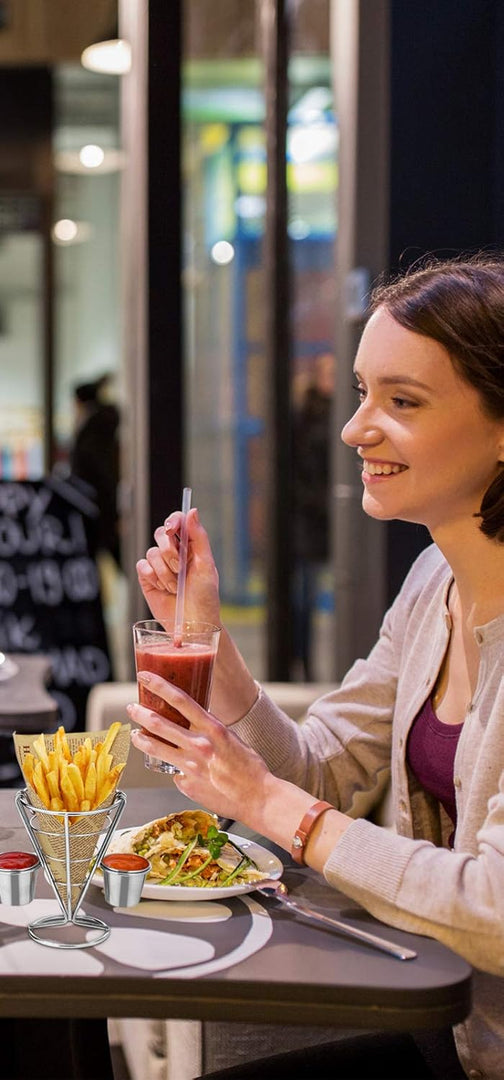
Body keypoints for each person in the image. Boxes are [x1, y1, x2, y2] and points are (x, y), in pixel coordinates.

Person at [131, 254, 504, 1080]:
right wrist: (209, 642)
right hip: (445, 1032)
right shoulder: (433, 583)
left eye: (402, 401)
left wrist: (268, 803)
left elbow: (495, 913)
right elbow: (323, 770)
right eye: (362, 393)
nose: (355, 429)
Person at [290, 351, 334, 680]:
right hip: (310, 521)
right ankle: (304, 665)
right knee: (305, 595)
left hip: (335, 518)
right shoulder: (305, 416)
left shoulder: (345, 412)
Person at [69, 373, 122, 566]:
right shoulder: (99, 427)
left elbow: (101, 473)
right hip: (99, 506)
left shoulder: (93, 431)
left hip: (98, 507)